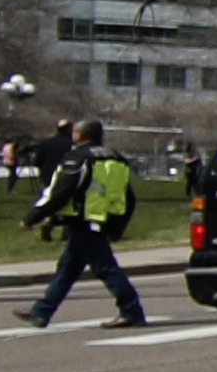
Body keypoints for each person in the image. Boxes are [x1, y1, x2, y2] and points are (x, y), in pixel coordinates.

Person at [17, 120, 147, 328]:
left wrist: (33, 217)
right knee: (67, 269)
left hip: (84, 220)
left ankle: (131, 311)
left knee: (106, 268)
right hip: (102, 219)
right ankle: (41, 312)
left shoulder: (78, 158)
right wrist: (119, 225)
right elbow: (128, 197)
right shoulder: (117, 159)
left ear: (79, 136)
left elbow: (61, 192)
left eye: (75, 132)